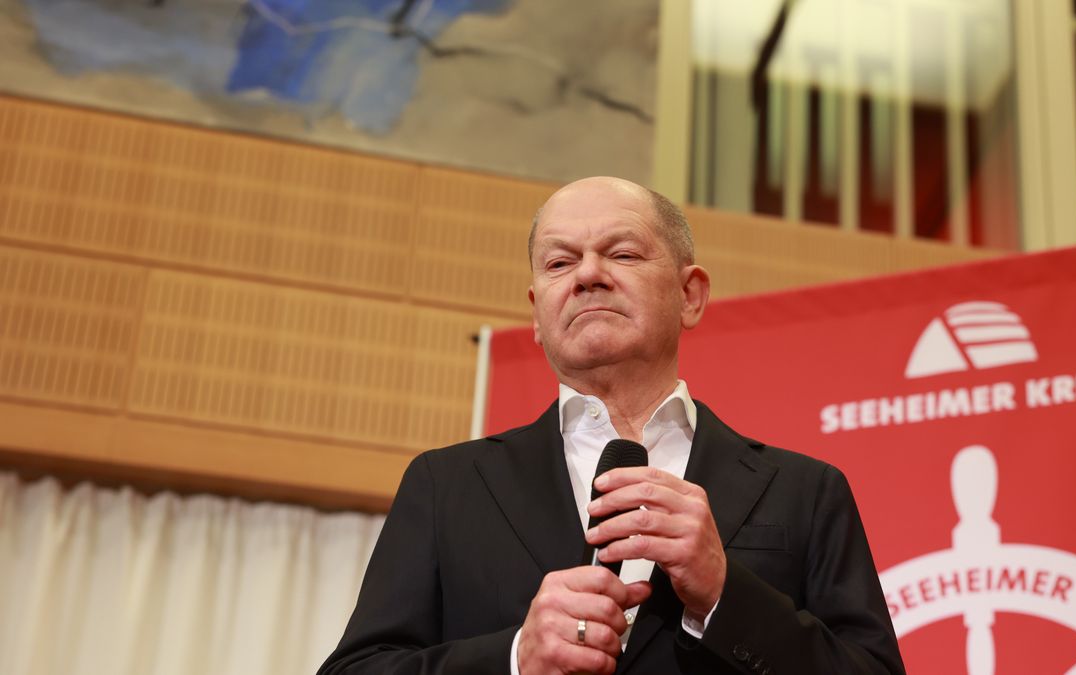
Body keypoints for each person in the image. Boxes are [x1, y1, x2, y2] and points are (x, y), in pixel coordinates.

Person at [319, 177, 904, 674]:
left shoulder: (806, 491)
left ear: (689, 295)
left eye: (622, 254)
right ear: (537, 315)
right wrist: (517, 657)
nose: (587, 275)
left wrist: (725, 595)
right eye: (559, 262)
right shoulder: (446, 484)